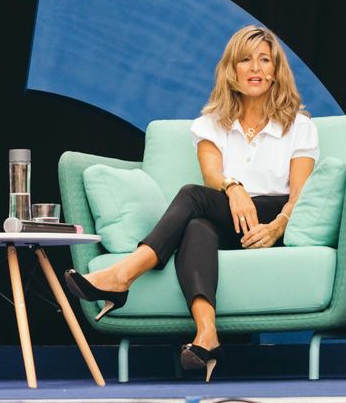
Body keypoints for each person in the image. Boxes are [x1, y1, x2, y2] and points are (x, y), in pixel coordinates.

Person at [64, 25, 319, 382]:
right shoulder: (210, 124)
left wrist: (278, 227)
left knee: (191, 197)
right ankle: (207, 335)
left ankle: (122, 276)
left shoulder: (298, 126)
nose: (256, 68)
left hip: (273, 215)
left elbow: (300, 194)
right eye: (246, 60)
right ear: (232, 70)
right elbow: (213, 175)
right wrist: (234, 189)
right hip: (231, 216)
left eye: (265, 60)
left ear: (276, 70)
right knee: (197, 225)